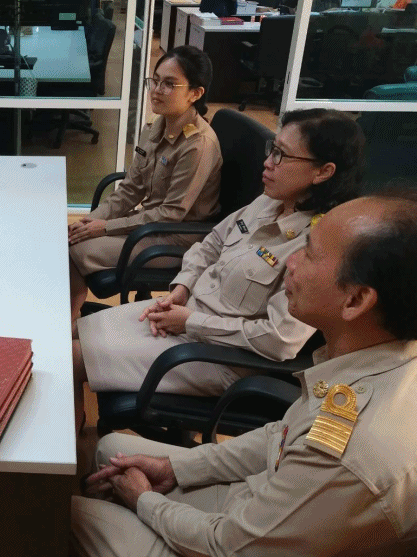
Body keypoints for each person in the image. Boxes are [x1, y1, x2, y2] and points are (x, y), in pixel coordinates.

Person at [72, 185, 417, 557]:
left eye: (310, 253)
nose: (291, 261)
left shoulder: (350, 451)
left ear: (356, 299)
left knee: (68, 512)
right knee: (110, 451)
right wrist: (174, 468)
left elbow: (226, 545)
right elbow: (278, 438)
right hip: (259, 497)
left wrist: (143, 501)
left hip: (233, 541)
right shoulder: (365, 360)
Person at [72, 109, 365, 428]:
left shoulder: (317, 248)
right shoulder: (270, 201)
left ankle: (64, 447)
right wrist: (182, 288)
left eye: (282, 155)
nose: (268, 162)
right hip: (186, 316)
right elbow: (211, 242)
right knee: (69, 333)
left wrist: (191, 322)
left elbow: (280, 339)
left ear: (323, 171)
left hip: (220, 356)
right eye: (272, 149)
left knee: (69, 357)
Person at [68, 45, 222, 320]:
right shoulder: (155, 125)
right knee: (72, 236)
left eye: (169, 84)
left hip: (177, 237)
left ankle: (67, 327)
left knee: (75, 250)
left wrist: (106, 227)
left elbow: (171, 214)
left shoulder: (198, 145)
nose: (156, 91)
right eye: (155, 80)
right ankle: (69, 321)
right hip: (150, 224)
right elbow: (131, 187)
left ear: (195, 94)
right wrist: (91, 220)